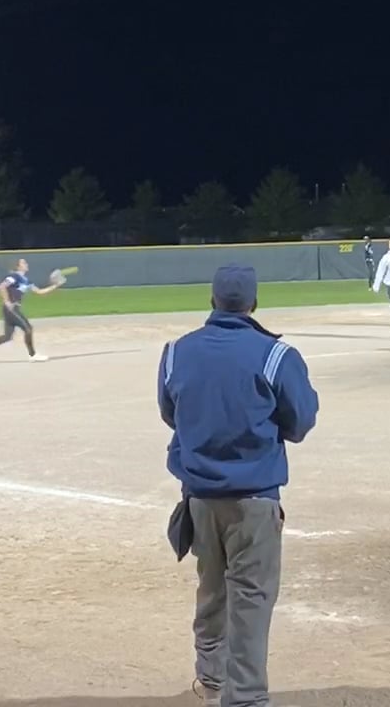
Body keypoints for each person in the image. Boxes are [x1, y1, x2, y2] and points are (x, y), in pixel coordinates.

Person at [159, 265, 319, 707]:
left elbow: (172, 414)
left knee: (212, 592)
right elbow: (301, 422)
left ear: (212, 301)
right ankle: (245, 699)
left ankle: (211, 684)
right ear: (254, 303)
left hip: (200, 498)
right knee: (250, 599)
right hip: (253, 500)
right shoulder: (275, 355)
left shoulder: (176, 352)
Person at [0, 257, 61, 365]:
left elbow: (40, 292)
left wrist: (55, 286)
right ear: (18, 266)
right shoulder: (14, 277)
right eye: (23, 263)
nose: (26, 264)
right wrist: (7, 301)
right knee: (28, 329)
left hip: (13, 309)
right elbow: (1, 287)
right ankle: (33, 355)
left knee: (7, 337)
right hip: (11, 308)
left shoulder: (26, 280)